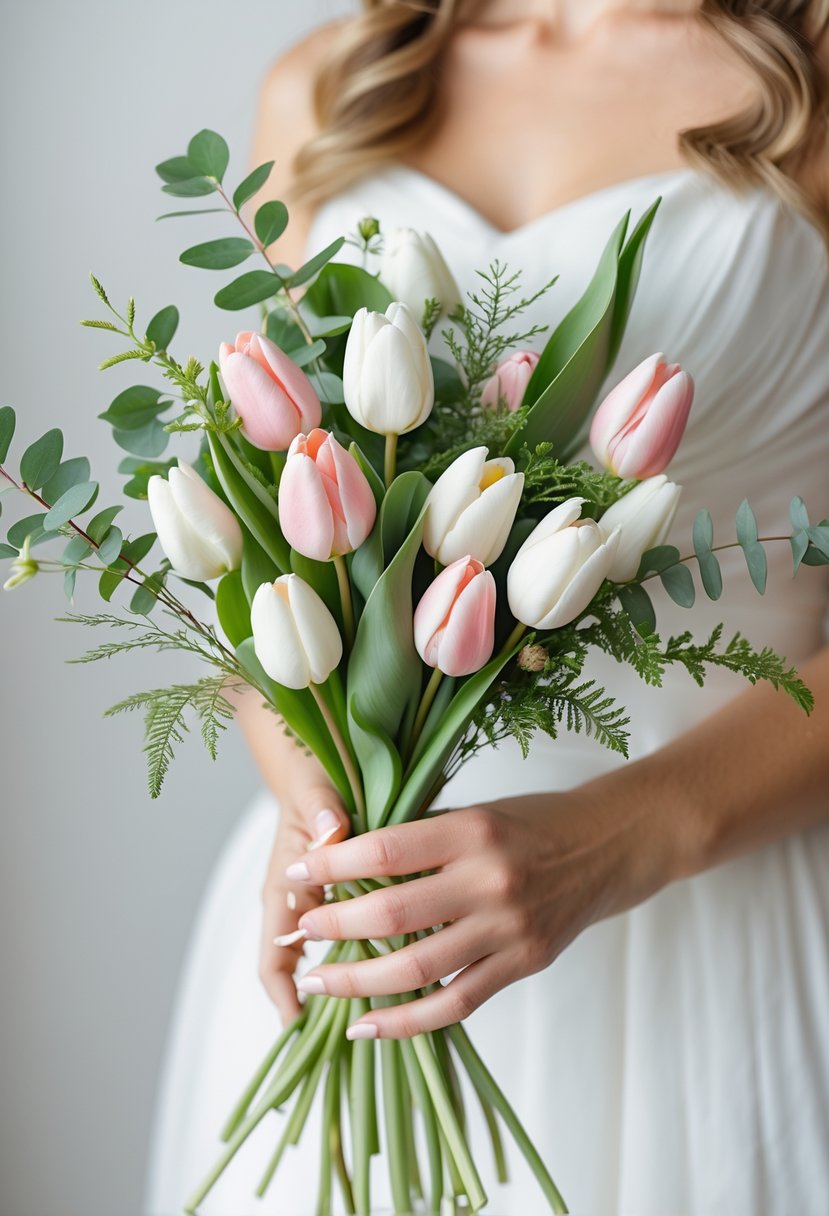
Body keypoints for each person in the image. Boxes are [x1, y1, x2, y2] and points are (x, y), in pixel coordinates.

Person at [144, 2, 829, 1213]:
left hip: (717, 903)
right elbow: (258, 527)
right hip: (359, 916)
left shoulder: (812, 85)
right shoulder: (338, 80)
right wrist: (316, 803)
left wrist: (630, 831)